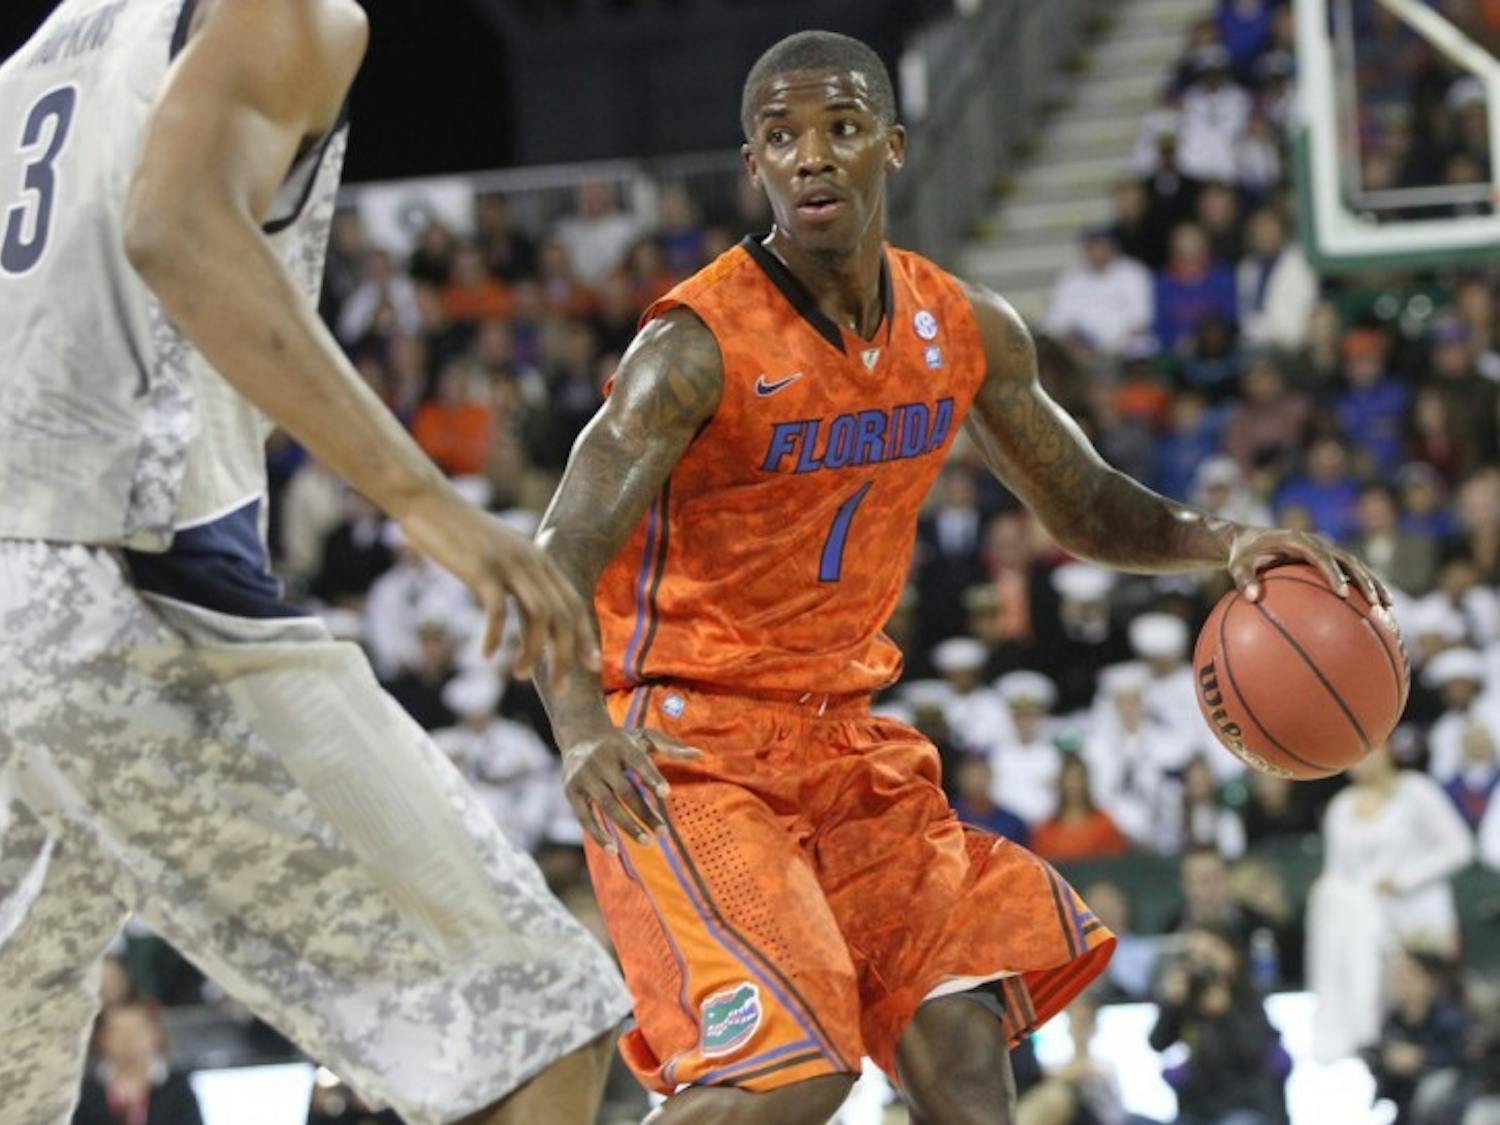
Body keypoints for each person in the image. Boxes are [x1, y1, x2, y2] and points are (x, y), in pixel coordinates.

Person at [534, 30, 1384, 1123]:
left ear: (888, 146)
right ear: (753, 168)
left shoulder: (962, 325)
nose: (810, 158)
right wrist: (579, 729)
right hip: (693, 757)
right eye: (781, 138)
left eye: (839, 130)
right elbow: (558, 554)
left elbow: (1081, 502)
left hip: (847, 745)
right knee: (793, 1073)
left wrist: (1224, 543)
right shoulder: (693, 348)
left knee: (966, 1064)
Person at [0, 4, 629, 1124]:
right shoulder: (287, 11)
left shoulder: (44, 51)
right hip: (119, 585)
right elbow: (179, 232)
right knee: (536, 1027)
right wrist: (426, 502)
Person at [1306, 744, 1475, 1061]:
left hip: (1418, 922)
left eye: (1368, 751)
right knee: (1330, 897)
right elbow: (1335, 873)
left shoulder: (1417, 791)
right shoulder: (1340, 807)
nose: (1362, 762)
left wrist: (1402, 879)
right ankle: (1350, 1034)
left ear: (1387, 750)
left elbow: (1460, 847)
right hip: (1363, 924)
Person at [1149, 924, 1289, 1125]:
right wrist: (1172, 1005)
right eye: (1195, 956)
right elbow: (1157, 1043)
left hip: (1247, 1106)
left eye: (1209, 954)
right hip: (1197, 1108)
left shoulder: (1248, 998)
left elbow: (1253, 1052)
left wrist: (1225, 1014)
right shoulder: (1188, 1001)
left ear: (1232, 955)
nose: (1203, 964)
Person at [72, 1001, 203, 1125]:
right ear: (102, 1039)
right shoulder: (84, 1093)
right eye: (119, 1032)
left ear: (155, 1035)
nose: (129, 1039)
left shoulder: (179, 1089)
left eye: (137, 1031)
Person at [1030, 756, 1131, 863]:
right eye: (1068, 779)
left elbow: (1116, 865)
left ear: (1086, 782)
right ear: (1060, 783)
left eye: (1078, 779)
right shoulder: (1045, 830)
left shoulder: (1104, 824)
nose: (1073, 785)